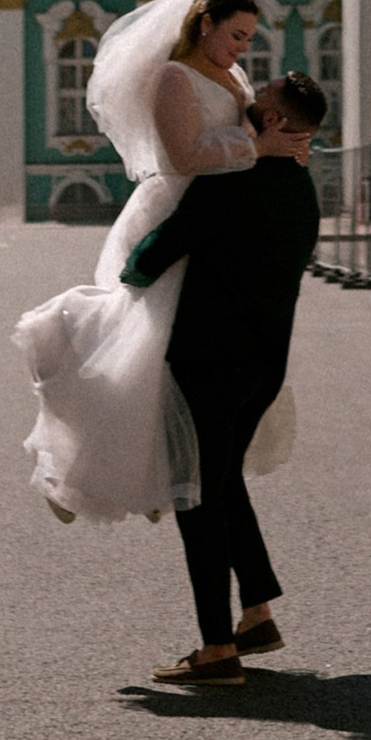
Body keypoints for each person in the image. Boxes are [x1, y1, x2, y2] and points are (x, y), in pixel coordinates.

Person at [14, 0, 263, 525]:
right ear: (205, 25)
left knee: (172, 362)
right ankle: (58, 353)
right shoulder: (173, 77)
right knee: (143, 351)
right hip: (172, 214)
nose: (243, 48)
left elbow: (241, 136)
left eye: (248, 39)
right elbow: (182, 157)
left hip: (217, 223)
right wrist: (255, 145)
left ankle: (158, 475)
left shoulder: (233, 78)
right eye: (236, 35)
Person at [123, 70, 326, 687]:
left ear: (275, 124)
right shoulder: (301, 185)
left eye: (256, 99)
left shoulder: (233, 182)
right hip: (264, 364)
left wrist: (122, 278)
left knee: (196, 494)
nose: (244, 100)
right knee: (221, 481)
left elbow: (155, 253)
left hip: (211, 361)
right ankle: (257, 610)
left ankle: (216, 649)